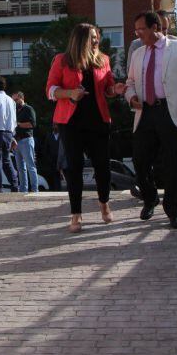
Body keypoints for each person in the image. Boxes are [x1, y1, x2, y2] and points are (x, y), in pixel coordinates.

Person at [125, 11, 177, 229]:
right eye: (136, 29)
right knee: (140, 161)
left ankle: (174, 210)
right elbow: (130, 81)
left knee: (174, 164)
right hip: (146, 112)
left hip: (172, 111)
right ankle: (150, 198)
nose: (138, 33)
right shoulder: (138, 53)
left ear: (155, 27)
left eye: (142, 29)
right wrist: (131, 97)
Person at [46, 23, 126, 233]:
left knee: (102, 166)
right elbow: (50, 90)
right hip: (70, 122)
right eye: (92, 37)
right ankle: (76, 214)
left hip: (98, 120)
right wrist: (71, 93)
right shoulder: (62, 60)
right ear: (81, 39)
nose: (96, 40)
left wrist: (115, 89)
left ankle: (104, 204)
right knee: (74, 168)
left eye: (97, 36)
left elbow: (107, 88)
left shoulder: (103, 60)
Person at [12, 90, 39, 193]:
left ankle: (35, 190)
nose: (14, 102)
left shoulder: (29, 109)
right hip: (17, 142)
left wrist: (18, 124)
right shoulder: (15, 110)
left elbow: (32, 124)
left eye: (16, 100)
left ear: (21, 98)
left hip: (27, 140)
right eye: (13, 100)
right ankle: (23, 190)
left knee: (30, 166)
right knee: (20, 168)